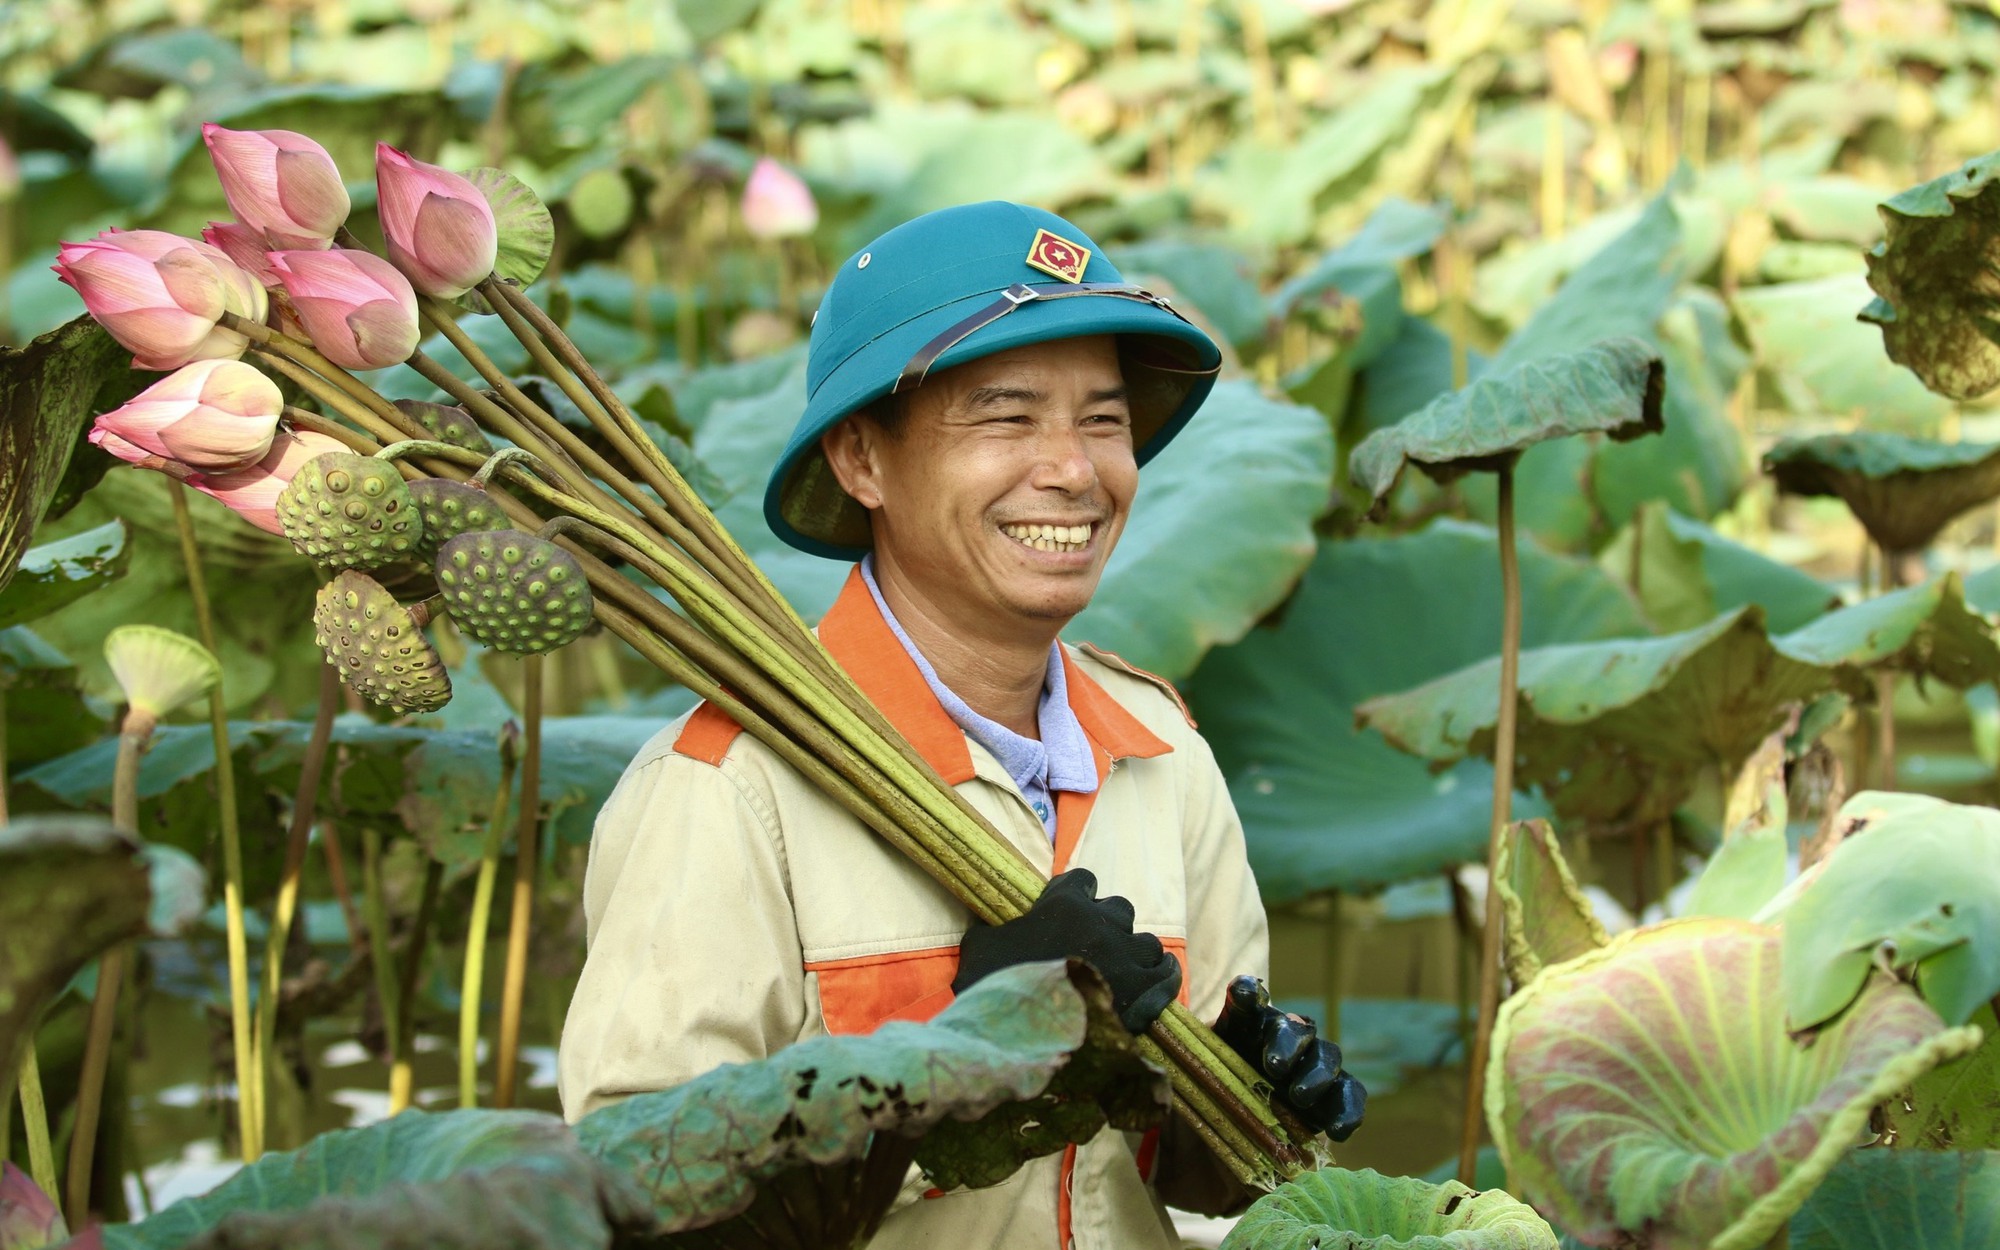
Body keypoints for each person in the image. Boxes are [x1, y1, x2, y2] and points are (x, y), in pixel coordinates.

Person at [558, 200, 1363, 1248]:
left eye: (1103, 419)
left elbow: (1195, 1176)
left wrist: (1257, 1102)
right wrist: (967, 1059)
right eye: (1006, 415)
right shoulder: (727, 784)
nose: (1073, 470)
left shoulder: (1161, 747)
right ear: (861, 459)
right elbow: (628, 1211)